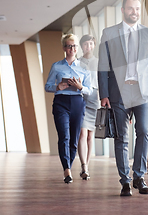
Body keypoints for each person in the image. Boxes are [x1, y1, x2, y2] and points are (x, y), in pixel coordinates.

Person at [98, 0, 148, 197]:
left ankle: (139, 177)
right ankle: (125, 181)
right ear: (123, 11)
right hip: (119, 92)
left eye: (137, 9)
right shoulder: (109, 33)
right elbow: (102, 66)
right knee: (121, 137)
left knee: (144, 132)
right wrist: (104, 93)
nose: (134, 12)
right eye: (130, 8)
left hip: (143, 92)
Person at [45, 34, 92, 184]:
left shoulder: (84, 67)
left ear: (77, 48)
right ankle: (66, 169)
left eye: (74, 46)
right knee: (64, 136)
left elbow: (89, 90)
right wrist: (57, 86)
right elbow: (47, 86)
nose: (72, 49)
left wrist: (80, 87)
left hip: (78, 102)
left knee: (74, 139)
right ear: (64, 48)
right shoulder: (56, 66)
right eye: (69, 46)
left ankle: (69, 167)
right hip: (61, 102)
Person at [77, 34, 99, 180]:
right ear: (81, 46)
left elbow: (103, 82)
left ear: (94, 45)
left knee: (91, 135)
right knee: (82, 133)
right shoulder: (77, 63)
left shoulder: (99, 62)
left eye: (91, 44)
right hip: (81, 97)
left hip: (95, 98)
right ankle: (83, 165)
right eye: (85, 44)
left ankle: (87, 166)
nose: (88, 47)